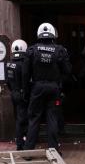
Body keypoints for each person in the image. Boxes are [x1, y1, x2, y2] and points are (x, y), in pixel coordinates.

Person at [24, 23, 72, 152]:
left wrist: (27, 91)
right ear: (53, 34)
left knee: (34, 118)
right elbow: (67, 71)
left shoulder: (32, 50)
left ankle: (28, 151)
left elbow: (25, 73)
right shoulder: (60, 50)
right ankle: (54, 151)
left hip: (37, 87)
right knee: (52, 118)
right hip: (53, 88)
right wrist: (60, 83)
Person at [5, 39, 30, 150]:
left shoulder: (9, 64)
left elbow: (7, 81)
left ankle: (20, 141)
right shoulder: (23, 64)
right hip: (21, 94)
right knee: (23, 120)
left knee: (18, 118)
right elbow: (26, 81)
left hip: (14, 93)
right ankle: (21, 144)